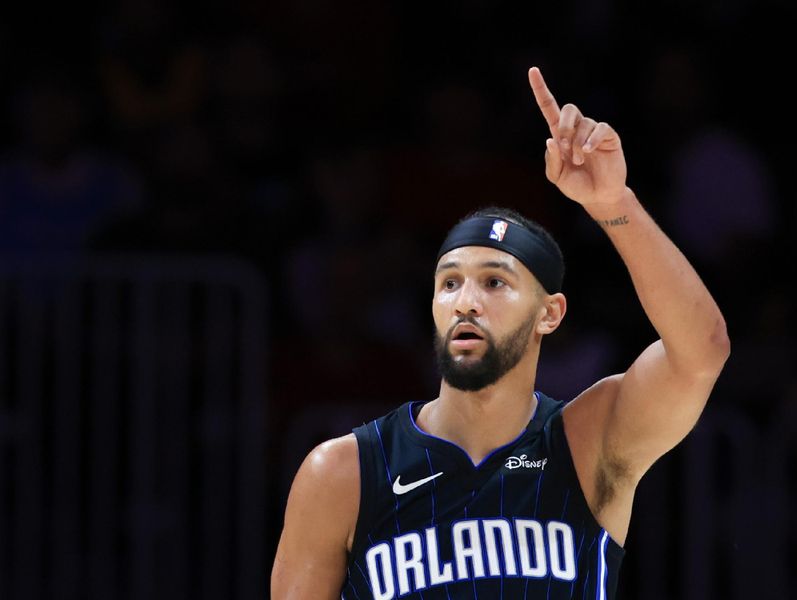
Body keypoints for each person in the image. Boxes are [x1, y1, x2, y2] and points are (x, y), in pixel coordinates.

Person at [270, 67, 730, 599]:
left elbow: (701, 351)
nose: (466, 301)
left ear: (550, 314)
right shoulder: (342, 472)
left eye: (494, 282)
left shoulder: (588, 440)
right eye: (450, 283)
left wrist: (613, 205)